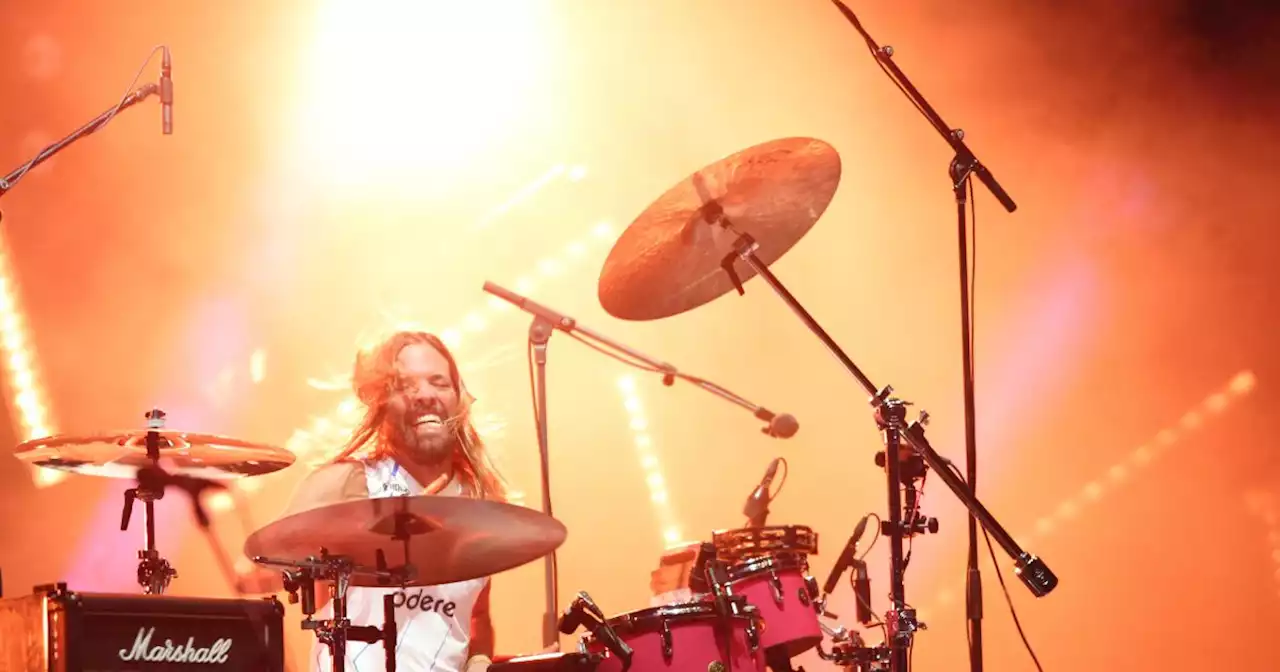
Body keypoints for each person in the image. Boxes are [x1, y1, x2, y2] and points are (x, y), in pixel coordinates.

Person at [282, 331, 507, 672]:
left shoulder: (476, 498)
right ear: (382, 402)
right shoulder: (349, 482)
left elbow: (476, 616)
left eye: (438, 382)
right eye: (406, 385)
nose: (426, 395)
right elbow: (267, 562)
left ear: (458, 398)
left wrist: (479, 661)